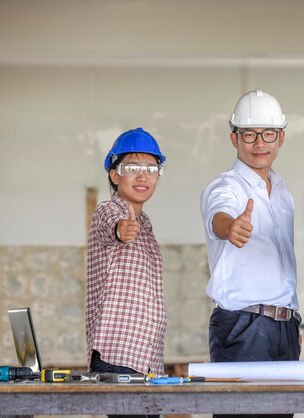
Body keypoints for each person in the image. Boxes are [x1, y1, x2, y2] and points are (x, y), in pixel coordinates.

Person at [200, 89, 301, 418]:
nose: (260, 143)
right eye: (249, 134)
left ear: (281, 137)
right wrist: (230, 227)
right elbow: (219, 214)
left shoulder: (283, 194)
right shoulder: (226, 186)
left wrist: (290, 324)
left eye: (268, 133)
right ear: (234, 138)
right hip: (243, 328)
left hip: (284, 328)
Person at [85, 128, 167, 403]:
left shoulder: (146, 225)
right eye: (132, 167)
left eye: (152, 168)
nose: (143, 176)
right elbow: (113, 227)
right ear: (114, 174)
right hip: (117, 357)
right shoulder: (107, 211)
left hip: (146, 359)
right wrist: (122, 229)